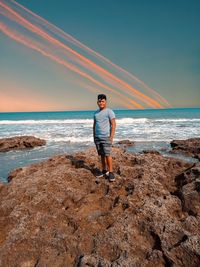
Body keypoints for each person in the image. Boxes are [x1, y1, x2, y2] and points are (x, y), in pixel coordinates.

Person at [93, 94, 116, 182]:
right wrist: (94, 135)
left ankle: (111, 172)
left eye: (102, 101)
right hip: (97, 137)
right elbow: (94, 125)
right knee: (102, 155)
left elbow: (113, 124)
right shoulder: (95, 113)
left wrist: (111, 137)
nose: (101, 103)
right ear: (97, 102)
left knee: (107, 155)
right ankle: (104, 170)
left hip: (106, 137)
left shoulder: (109, 111)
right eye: (99, 101)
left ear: (105, 102)